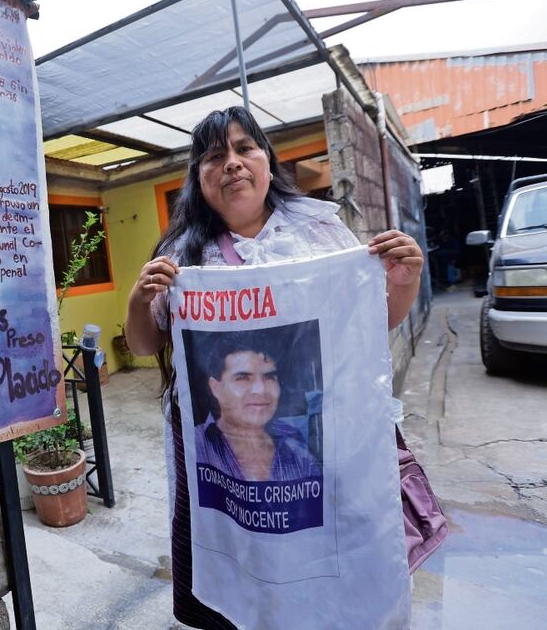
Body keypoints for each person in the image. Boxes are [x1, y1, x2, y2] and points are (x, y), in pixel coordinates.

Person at [124, 106, 423, 629]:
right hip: (212, 457)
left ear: (267, 161)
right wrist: (136, 300)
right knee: (231, 546)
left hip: (323, 440)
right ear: (199, 179)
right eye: (215, 156)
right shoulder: (180, 256)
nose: (232, 164)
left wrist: (403, 281)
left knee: (313, 545)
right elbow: (145, 345)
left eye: (245, 149)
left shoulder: (321, 235)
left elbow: (371, 327)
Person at [195, 337, 320, 483]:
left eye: (269, 377)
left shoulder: (295, 446)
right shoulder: (195, 445)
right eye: (243, 378)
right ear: (216, 388)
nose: (260, 390)